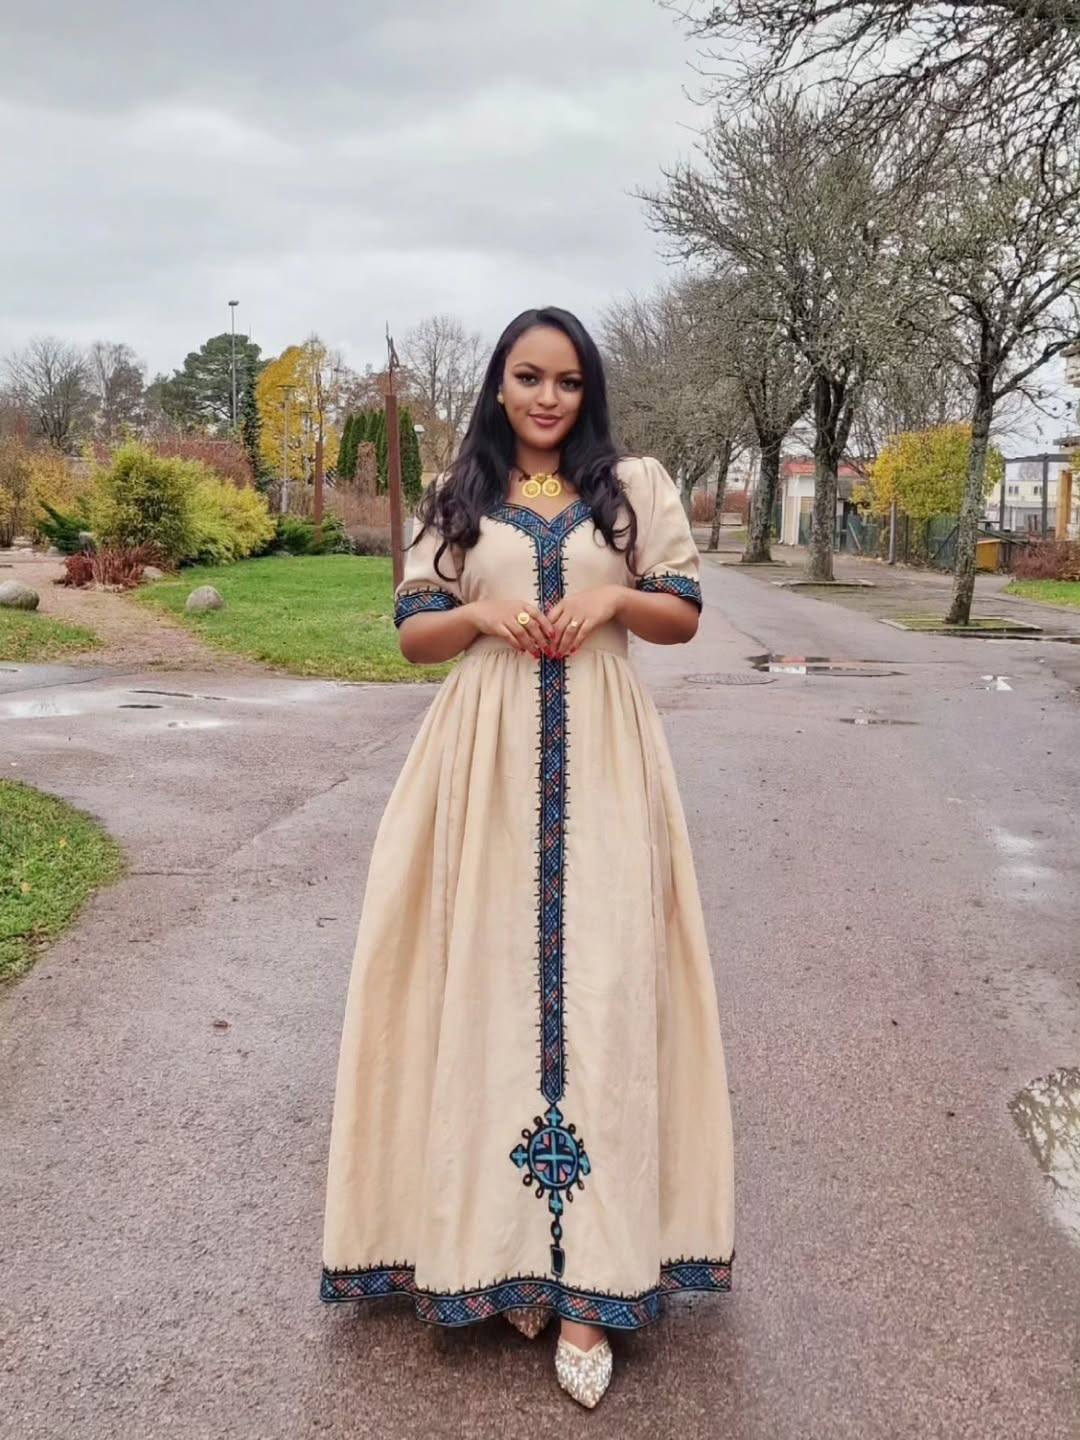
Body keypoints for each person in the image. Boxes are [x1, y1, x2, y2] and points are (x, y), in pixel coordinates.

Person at [321, 306, 735, 1409]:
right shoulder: (463, 494)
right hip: (485, 765)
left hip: (603, 759)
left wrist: (607, 597)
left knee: (605, 995)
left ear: (587, 388)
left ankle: (596, 1286)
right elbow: (413, 627)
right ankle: (506, 1252)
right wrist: (485, 619)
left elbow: (683, 612)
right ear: (500, 387)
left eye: (565, 379)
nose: (547, 397)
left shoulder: (633, 485)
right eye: (527, 377)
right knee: (492, 996)